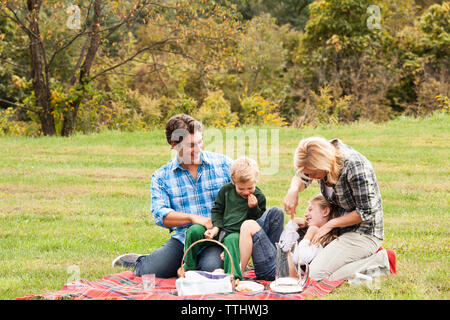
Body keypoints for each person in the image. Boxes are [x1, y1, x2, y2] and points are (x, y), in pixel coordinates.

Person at [112, 114, 233, 278]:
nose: (197, 149)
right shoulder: (161, 177)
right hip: (183, 239)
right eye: (191, 145)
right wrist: (192, 218)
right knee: (149, 272)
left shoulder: (224, 164)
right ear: (174, 145)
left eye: (199, 142)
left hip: (216, 238)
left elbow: (244, 194)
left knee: (208, 273)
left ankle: (194, 264)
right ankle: (141, 261)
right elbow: (159, 214)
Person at [283, 137, 396, 281]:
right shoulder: (319, 157)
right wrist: (293, 191)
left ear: (323, 165)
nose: (310, 178)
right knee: (325, 274)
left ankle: (381, 260)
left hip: (364, 233)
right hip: (339, 232)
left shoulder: (355, 166)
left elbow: (366, 212)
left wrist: (330, 224)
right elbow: (301, 178)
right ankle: (354, 263)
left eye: (313, 174)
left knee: (316, 275)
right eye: (308, 174)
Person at [181, 157, 266, 280]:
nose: (246, 192)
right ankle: (189, 266)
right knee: (193, 231)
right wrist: (215, 228)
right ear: (233, 182)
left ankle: (233, 277)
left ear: (256, 181)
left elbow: (256, 223)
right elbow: (217, 210)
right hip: (220, 230)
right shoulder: (226, 191)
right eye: (241, 188)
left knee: (232, 240)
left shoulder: (259, 197)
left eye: (250, 188)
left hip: (237, 234)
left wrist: (253, 208)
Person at [287, 194, 339, 277]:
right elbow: (282, 245)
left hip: (287, 273)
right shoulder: (304, 231)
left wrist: (310, 233)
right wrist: (293, 225)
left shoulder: (324, 240)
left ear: (325, 212)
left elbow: (300, 258)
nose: (306, 215)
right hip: (280, 266)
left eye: (310, 210)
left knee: (275, 213)